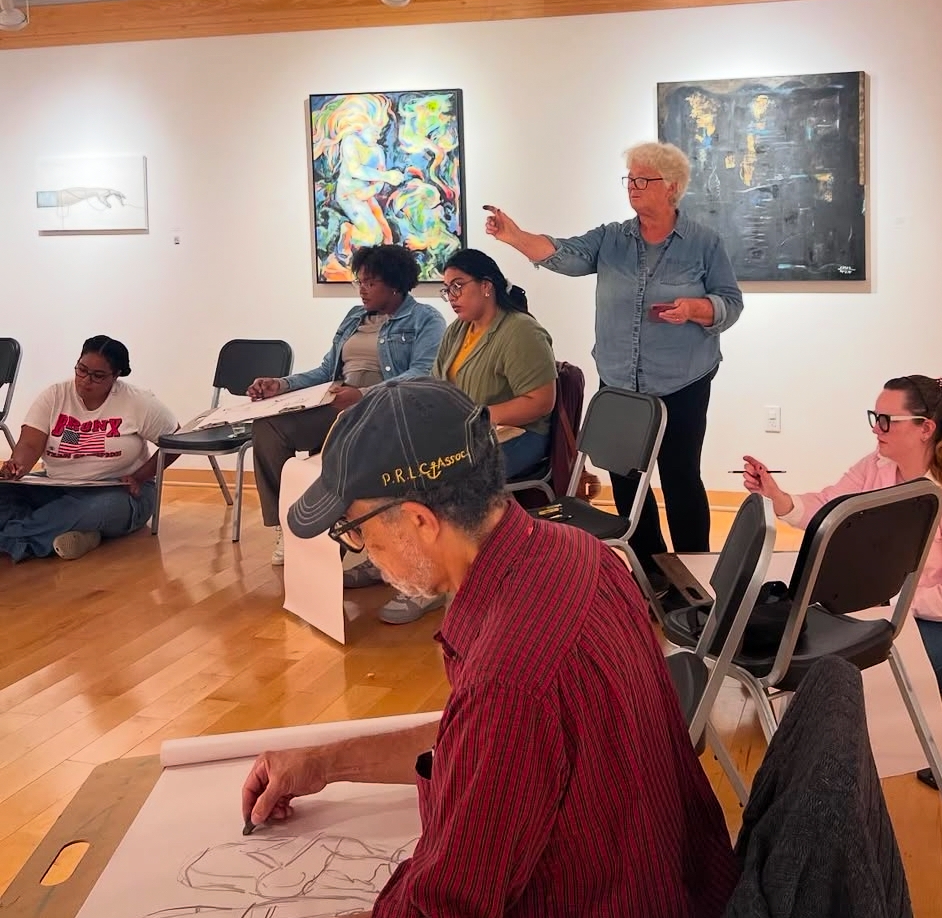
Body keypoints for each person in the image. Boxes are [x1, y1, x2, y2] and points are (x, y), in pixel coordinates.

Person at [48, 381, 739, 918]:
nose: (361, 551)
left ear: (416, 519)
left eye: (353, 531)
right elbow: (492, 744)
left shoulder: (511, 673)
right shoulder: (576, 555)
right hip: (665, 913)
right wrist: (327, 761)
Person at [485, 141, 743, 588]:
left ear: (673, 188)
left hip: (682, 381)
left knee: (680, 478)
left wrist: (696, 308)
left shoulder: (704, 242)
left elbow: (731, 304)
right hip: (621, 382)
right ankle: (651, 575)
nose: (634, 188)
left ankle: (695, 578)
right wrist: (516, 236)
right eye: (630, 179)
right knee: (625, 481)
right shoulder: (612, 238)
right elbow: (563, 253)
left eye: (644, 180)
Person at [743, 374, 942, 693]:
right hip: (885, 607)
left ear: (925, 428)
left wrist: (887, 600)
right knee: (798, 658)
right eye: (875, 418)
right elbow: (829, 508)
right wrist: (778, 498)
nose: (875, 428)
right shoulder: (876, 466)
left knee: (840, 676)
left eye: (886, 420)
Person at [344, 248, 557, 626]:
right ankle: (391, 559)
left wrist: (482, 417)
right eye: (447, 290)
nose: (453, 296)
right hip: (469, 435)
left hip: (519, 438)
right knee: (394, 466)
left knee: (438, 481)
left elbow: (541, 402)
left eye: (459, 286)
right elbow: (440, 384)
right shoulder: (460, 330)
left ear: (487, 286)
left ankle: (431, 583)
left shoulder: (521, 331)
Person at [247, 244, 444, 571]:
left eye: (370, 283)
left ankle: (338, 520)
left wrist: (364, 394)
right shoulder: (354, 318)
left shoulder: (425, 319)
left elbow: (421, 374)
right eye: (360, 282)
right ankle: (287, 523)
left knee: (344, 421)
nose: (362, 290)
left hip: (386, 409)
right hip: (340, 403)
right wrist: (281, 384)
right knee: (268, 427)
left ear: (394, 284)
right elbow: (326, 372)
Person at [0, 335, 178, 563]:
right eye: (81, 370)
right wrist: (18, 465)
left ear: (116, 376)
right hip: (56, 485)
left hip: (119, 491)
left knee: (97, 508)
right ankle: (75, 534)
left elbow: (175, 440)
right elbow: (30, 444)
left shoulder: (137, 401)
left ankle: (13, 537)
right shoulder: (54, 395)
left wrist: (140, 476)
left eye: (97, 376)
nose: (85, 380)